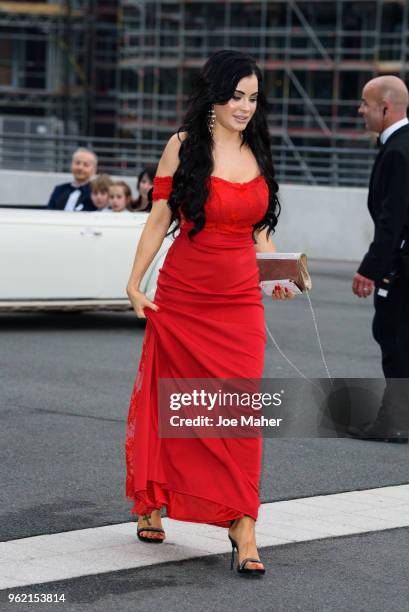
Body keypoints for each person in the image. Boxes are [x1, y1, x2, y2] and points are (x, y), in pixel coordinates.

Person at [125, 49, 295, 577]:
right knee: (170, 400)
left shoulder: (258, 148)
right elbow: (158, 218)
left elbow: (261, 231)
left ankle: (243, 522)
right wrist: (134, 282)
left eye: (253, 98)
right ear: (214, 95)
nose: (245, 107)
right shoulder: (182, 146)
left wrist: (278, 277)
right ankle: (152, 497)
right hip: (184, 294)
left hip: (241, 299)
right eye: (237, 96)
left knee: (239, 411)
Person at [349, 75, 409, 443]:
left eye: (365, 104)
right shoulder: (400, 146)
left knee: (394, 337)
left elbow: (393, 221)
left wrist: (370, 269)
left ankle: (397, 421)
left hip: (402, 267)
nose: (360, 110)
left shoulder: (399, 151)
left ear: (385, 108)